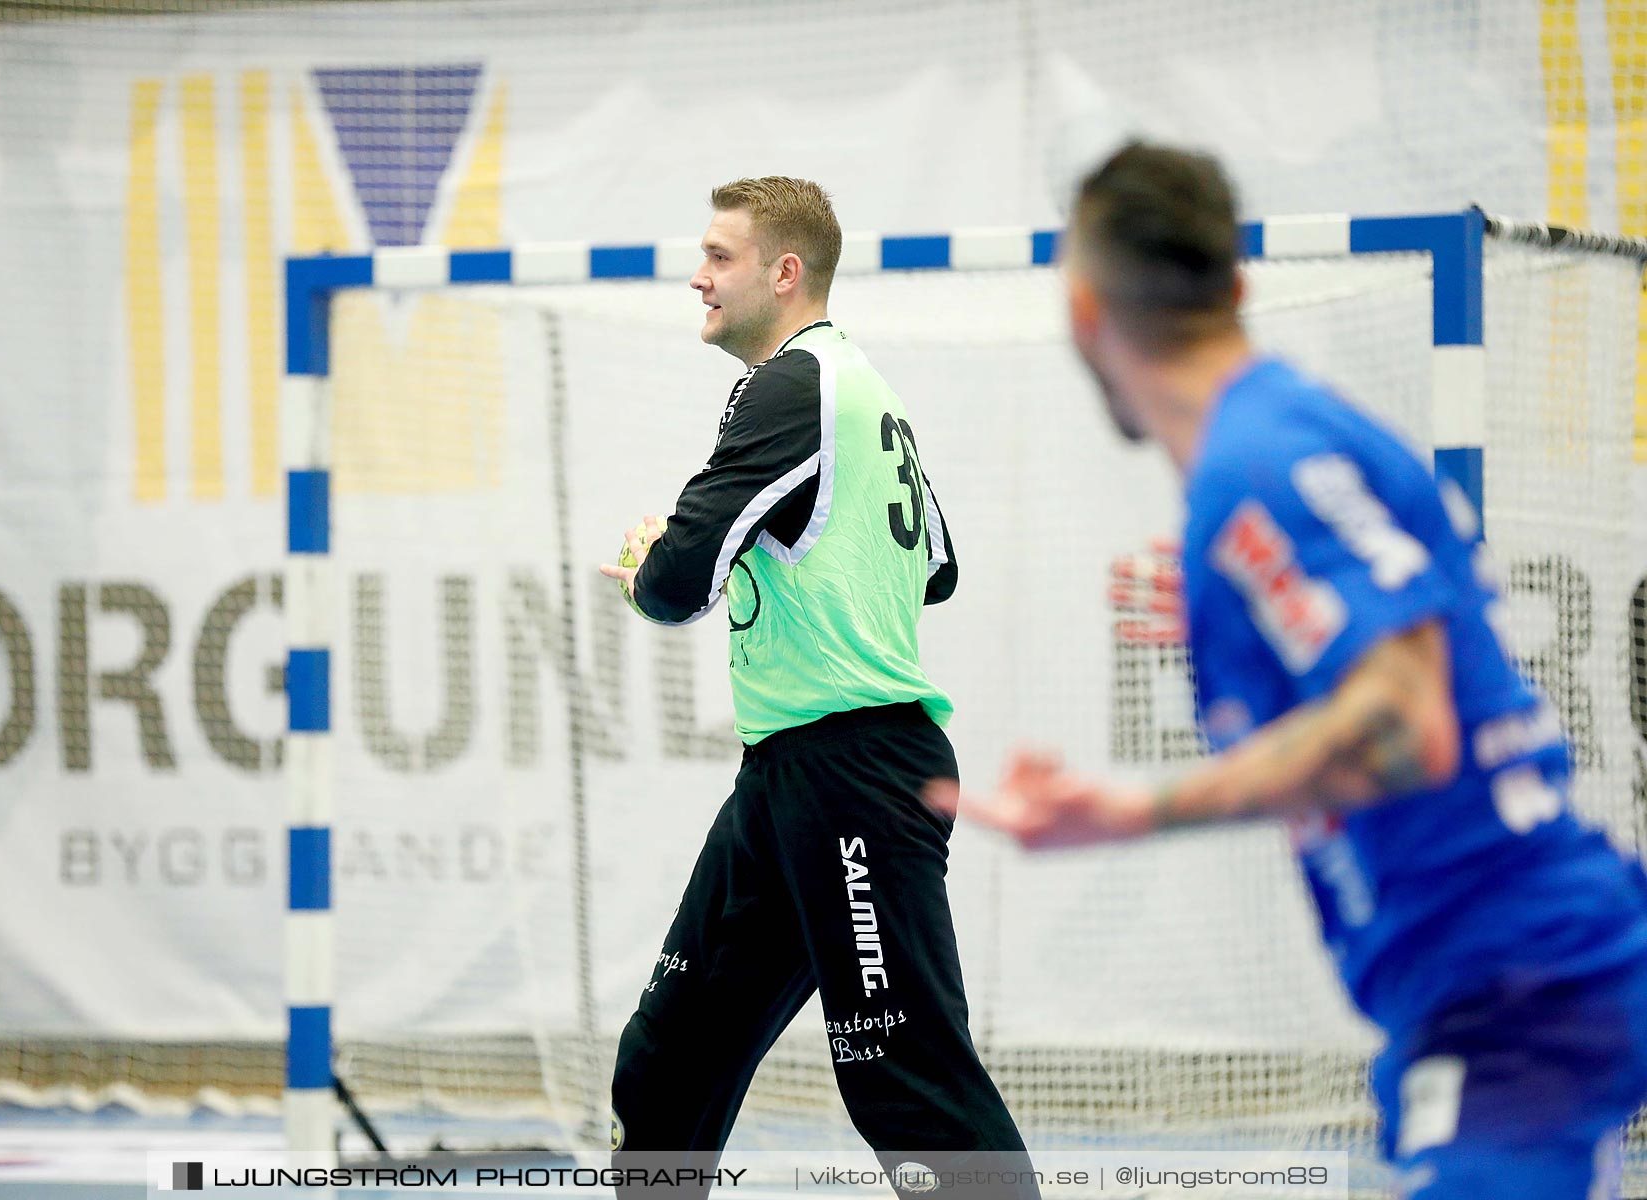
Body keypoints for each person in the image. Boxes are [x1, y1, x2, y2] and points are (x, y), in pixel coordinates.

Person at [932, 140, 1647, 1199]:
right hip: (1514, 979)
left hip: (1516, 996)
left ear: (1085, 313)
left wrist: (1130, 810)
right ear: (1238, 283)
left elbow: (1405, 730)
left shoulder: (1253, 467)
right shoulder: (1291, 437)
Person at [600, 177, 1037, 1197]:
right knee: (669, 1061)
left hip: (853, 777)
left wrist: (656, 558)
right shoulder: (863, 387)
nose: (697, 275)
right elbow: (936, 567)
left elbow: (674, 589)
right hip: (792, 775)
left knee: (909, 1083)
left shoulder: (789, 385)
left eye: (720, 256)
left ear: (784, 273)